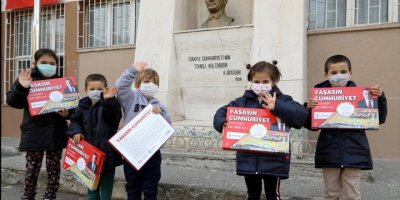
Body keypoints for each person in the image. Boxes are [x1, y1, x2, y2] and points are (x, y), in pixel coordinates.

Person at [213, 61, 308, 200]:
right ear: (251, 81)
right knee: (252, 195)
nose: (260, 85)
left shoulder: (283, 100)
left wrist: (277, 106)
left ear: (273, 81)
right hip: (248, 160)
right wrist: (222, 122)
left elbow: (301, 115)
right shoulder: (242, 102)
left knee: (272, 195)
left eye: (265, 81)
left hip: (274, 161)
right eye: (256, 81)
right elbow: (222, 112)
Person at [304, 55, 387, 200]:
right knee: (331, 193)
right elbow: (312, 125)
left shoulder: (362, 96)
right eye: (334, 73)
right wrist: (309, 109)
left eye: (343, 71)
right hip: (329, 151)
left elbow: (379, 119)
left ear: (350, 72)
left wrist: (380, 98)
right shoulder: (318, 97)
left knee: (351, 194)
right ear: (326, 74)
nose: (339, 76)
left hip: (355, 151)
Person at [6, 48, 72, 200]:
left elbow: (72, 108)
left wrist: (68, 114)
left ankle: (50, 195)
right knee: (32, 167)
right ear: (35, 63)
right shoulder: (27, 80)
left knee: (54, 168)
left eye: (52, 63)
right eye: (44, 63)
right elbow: (12, 102)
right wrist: (22, 87)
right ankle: (28, 195)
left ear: (57, 65)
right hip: (34, 133)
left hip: (56, 133)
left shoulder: (61, 82)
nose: (48, 66)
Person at [115, 62, 171, 200]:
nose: (151, 84)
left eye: (155, 82)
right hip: (132, 151)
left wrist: (160, 117)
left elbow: (167, 128)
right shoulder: (131, 97)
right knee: (133, 187)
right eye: (147, 81)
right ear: (138, 84)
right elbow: (120, 87)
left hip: (152, 153)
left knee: (151, 187)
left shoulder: (161, 106)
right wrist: (133, 70)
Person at [67, 73, 123, 199]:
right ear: (85, 90)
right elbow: (74, 121)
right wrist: (76, 131)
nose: (95, 92)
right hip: (88, 157)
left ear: (106, 89)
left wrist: (108, 100)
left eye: (100, 89)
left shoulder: (110, 104)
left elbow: (114, 116)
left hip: (107, 156)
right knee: (92, 191)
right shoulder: (81, 106)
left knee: (106, 191)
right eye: (92, 89)